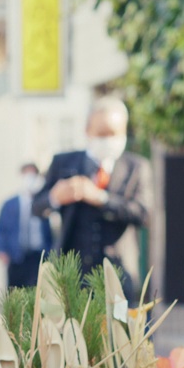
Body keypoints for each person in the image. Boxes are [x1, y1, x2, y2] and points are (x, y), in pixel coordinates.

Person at [33, 97, 153, 294]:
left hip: (119, 274)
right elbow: (36, 207)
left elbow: (144, 213)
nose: (108, 140)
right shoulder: (64, 162)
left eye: (114, 133)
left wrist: (101, 198)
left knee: (118, 324)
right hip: (72, 275)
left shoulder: (136, 167)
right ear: (88, 130)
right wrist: (55, 197)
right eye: (102, 133)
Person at [0, 163, 53, 288]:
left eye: (32, 175)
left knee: (35, 292)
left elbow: (49, 232)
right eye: (26, 175)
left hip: (38, 256)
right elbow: (0, 230)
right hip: (17, 256)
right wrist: (2, 250)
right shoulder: (9, 204)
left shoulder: (42, 202)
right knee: (15, 292)